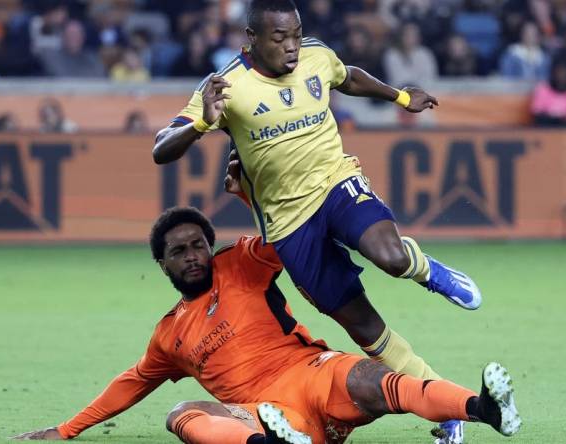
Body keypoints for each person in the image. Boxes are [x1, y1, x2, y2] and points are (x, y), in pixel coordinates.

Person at [152, 2, 482, 442]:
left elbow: (347, 76)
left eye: (295, 34)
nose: (291, 47)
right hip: (289, 224)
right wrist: (201, 125)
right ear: (251, 38)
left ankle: (425, 270)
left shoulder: (315, 55)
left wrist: (401, 96)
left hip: (335, 182)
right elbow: (161, 148)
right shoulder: (226, 85)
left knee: (390, 255)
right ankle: (444, 407)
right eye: (278, 38)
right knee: (364, 325)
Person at [12, 207, 522, 443]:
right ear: (162, 265)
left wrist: (253, 190)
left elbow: (290, 233)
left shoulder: (241, 262)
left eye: (197, 245)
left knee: (370, 377)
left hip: (312, 373)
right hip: (261, 412)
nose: (192, 256)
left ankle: (483, 410)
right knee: (182, 412)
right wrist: (66, 430)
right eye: (178, 252)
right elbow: (130, 384)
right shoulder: (169, 335)